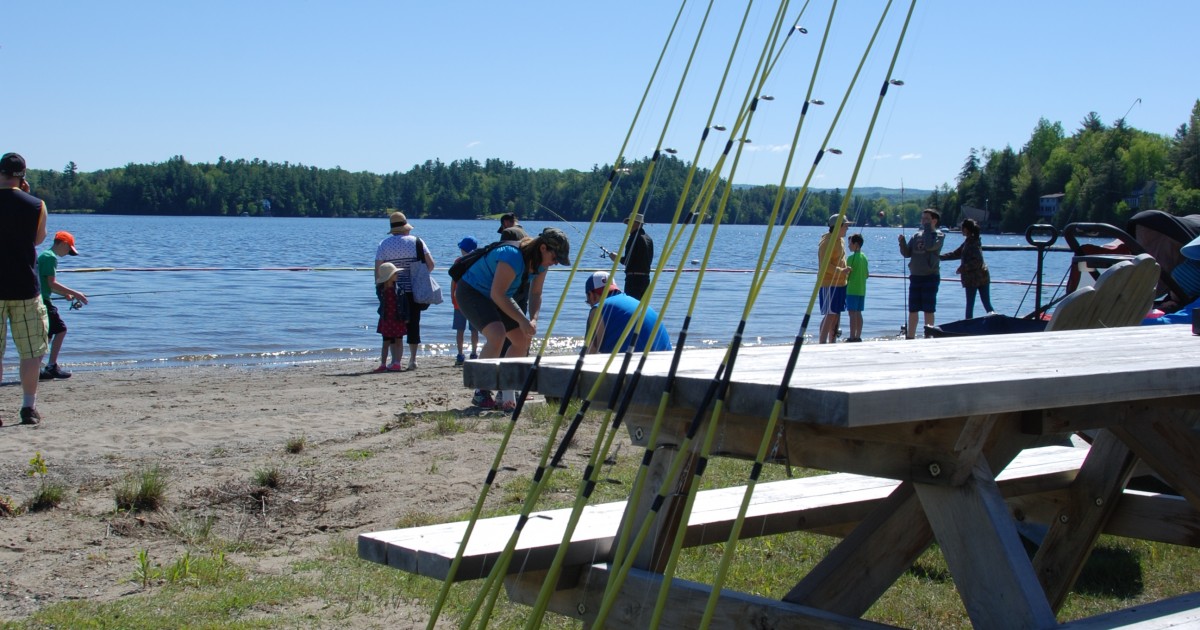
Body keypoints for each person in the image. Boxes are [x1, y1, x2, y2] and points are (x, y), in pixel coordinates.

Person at [456, 227, 571, 410]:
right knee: (497, 335)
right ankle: (481, 391)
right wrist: (522, 320)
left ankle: (507, 393)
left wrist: (532, 319)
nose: (555, 263)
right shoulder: (512, 256)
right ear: (543, 248)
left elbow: (536, 293)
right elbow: (498, 294)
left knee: (522, 339)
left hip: (499, 295)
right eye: (555, 258)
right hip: (472, 292)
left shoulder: (541, 265)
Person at [0, 152, 49, 425]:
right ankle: (28, 407)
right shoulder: (36, 204)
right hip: (24, 286)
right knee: (31, 350)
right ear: (23, 176)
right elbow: (39, 239)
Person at [375, 211, 435, 371]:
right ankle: (413, 360)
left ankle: (395, 360)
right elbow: (431, 264)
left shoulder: (384, 244)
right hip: (414, 290)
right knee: (414, 323)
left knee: (395, 325)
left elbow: (378, 271)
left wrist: (381, 290)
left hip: (393, 292)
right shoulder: (417, 241)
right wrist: (419, 277)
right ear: (405, 227)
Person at [37, 230, 89, 379]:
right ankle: (51, 366)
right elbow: (51, 282)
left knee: (48, 335)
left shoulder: (45, 255)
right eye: (69, 249)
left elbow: (47, 285)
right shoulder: (50, 257)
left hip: (40, 298)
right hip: (43, 301)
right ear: (64, 244)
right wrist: (77, 293)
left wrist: (64, 294)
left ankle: (38, 368)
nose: (68, 253)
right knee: (61, 329)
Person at [583, 271, 671, 354]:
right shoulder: (638, 304)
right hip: (666, 360)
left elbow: (589, 352)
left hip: (638, 364)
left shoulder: (598, 309)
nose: (590, 304)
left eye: (588, 301)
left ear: (591, 294)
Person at [898, 208, 945, 339]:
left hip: (930, 277)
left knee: (928, 309)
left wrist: (928, 229)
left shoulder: (939, 236)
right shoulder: (916, 236)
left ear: (934, 221)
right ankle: (910, 336)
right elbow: (907, 253)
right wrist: (902, 242)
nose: (923, 221)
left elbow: (930, 246)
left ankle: (928, 335)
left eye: (927, 219)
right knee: (913, 309)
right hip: (915, 276)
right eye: (922, 219)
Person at [940, 218, 994, 319]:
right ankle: (995, 321)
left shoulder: (973, 243)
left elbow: (978, 261)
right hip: (982, 277)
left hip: (974, 279)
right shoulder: (970, 241)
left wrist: (963, 268)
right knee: (985, 303)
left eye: (962, 228)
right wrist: (939, 257)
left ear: (966, 230)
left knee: (972, 304)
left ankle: (968, 325)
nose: (961, 230)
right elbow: (956, 254)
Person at [817, 215, 853, 344]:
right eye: (845, 226)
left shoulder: (841, 241)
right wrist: (841, 270)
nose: (847, 228)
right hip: (828, 283)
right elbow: (825, 265)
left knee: (836, 313)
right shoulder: (826, 243)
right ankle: (822, 342)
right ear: (837, 227)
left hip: (841, 283)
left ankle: (832, 341)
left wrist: (845, 271)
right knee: (830, 313)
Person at [608, 213, 653, 301]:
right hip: (646, 279)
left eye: (629, 223)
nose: (628, 225)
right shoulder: (648, 239)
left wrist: (616, 258)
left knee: (631, 307)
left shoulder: (633, 238)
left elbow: (627, 261)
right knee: (640, 308)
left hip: (633, 280)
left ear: (636, 223)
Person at [451, 236, 481, 366]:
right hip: (475, 300)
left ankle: (460, 354)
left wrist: (453, 297)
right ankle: (474, 353)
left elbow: (454, 282)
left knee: (460, 330)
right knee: (474, 329)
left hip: (460, 300)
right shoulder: (478, 261)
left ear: (463, 249)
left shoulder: (458, 262)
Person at [373, 263, 406, 373]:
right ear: (389, 276)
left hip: (397, 319)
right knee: (385, 343)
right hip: (387, 319)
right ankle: (383, 363)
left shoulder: (399, 290)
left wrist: (406, 317)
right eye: (395, 273)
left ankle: (397, 363)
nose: (397, 275)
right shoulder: (382, 290)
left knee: (399, 341)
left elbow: (406, 305)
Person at [846, 232, 869, 342]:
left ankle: (852, 336)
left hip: (851, 290)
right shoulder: (864, 257)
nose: (848, 245)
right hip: (862, 290)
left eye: (850, 243)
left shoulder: (851, 258)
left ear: (856, 244)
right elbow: (867, 275)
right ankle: (858, 336)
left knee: (852, 314)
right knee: (858, 313)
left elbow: (846, 274)